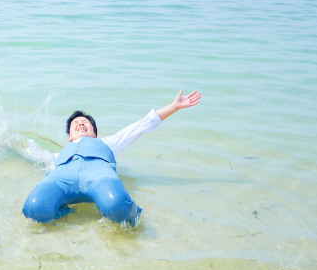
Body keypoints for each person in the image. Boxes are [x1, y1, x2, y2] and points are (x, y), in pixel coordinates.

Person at [21, 90, 201, 226]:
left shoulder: (109, 144)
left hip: (100, 179)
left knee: (118, 207)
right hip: (62, 181)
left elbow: (141, 125)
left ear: (95, 132)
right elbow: (30, 152)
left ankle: (133, 213)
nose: (81, 124)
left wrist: (174, 106)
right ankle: (63, 210)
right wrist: (7, 142)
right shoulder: (58, 156)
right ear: (69, 136)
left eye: (85, 122)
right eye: (76, 123)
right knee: (33, 209)